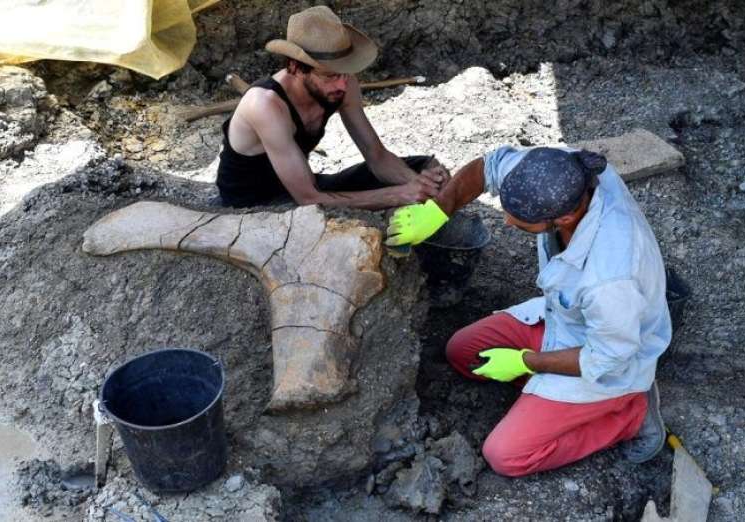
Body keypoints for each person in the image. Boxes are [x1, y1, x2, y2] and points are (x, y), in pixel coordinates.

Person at [386, 146, 671, 476]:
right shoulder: (559, 170)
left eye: (520, 221)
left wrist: (524, 361)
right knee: (462, 353)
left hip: (611, 361)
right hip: (565, 319)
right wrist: (436, 212)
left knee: (505, 455)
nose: (507, 220)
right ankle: (545, 395)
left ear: (563, 218)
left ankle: (631, 415)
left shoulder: (609, 277)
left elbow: (608, 356)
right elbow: (487, 167)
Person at [215, 6, 449, 209]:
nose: (342, 84)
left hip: (303, 187)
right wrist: (399, 195)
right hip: (255, 206)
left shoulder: (343, 83)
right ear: (296, 67)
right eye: (329, 75)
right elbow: (308, 198)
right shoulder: (265, 105)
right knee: (378, 204)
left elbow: (376, 156)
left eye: (344, 72)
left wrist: (417, 185)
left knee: (425, 168)